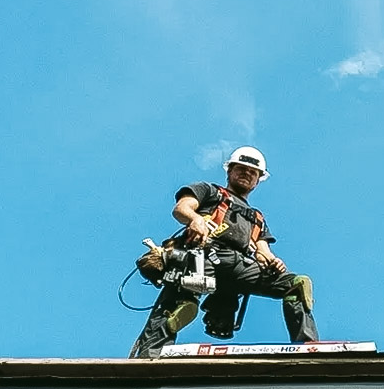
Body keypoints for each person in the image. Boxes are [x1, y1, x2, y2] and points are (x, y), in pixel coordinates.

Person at [129, 146, 319, 358]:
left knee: (297, 284)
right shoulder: (210, 192)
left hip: (240, 267)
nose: (247, 173)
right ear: (229, 171)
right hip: (203, 256)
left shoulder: (256, 217)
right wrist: (196, 219)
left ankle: (308, 347)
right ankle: (149, 356)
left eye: (252, 172)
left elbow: (263, 251)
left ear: (258, 180)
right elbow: (181, 208)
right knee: (178, 304)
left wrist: (274, 262)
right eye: (241, 168)